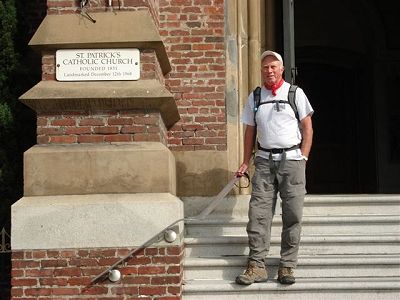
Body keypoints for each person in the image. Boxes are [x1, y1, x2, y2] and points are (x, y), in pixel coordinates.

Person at [235, 50, 314, 285]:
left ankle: (287, 266)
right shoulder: (256, 97)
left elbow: (308, 128)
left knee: (293, 214)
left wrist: (304, 157)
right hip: (264, 160)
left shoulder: (295, 93)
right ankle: (257, 266)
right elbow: (250, 130)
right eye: (265, 67)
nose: (268, 71)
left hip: (292, 160)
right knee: (258, 215)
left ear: (281, 69)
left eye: (273, 67)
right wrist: (245, 160)